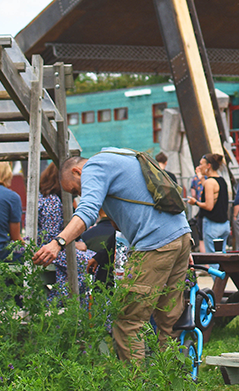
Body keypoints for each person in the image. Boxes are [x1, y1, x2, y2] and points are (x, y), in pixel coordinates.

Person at [33, 150, 191, 362]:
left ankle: (135, 383)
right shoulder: (121, 157)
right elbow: (129, 217)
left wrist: (57, 243)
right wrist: (101, 256)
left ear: (76, 171)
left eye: (75, 189)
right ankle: (168, 378)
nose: (79, 193)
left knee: (127, 320)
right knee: (167, 318)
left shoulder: (93, 168)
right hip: (180, 236)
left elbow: (88, 211)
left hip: (156, 244)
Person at [37, 163, 95, 301]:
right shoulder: (52, 202)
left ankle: (65, 304)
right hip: (50, 250)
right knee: (92, 262)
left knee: (70, 274)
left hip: (57, 249)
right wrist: (75, 244)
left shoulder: (50, 199)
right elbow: (50, 237)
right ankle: (68, 303)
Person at [187, 154, 230, 252]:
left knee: (212, 257)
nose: (199, 167)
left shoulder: (209, 182)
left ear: (208, 166)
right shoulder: (221, 180)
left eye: (201, 164)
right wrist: (201, 177)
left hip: (212, 224)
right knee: (222, 256)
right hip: (224, 224)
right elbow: (209, 190)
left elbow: (209, 206)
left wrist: (195, 203)